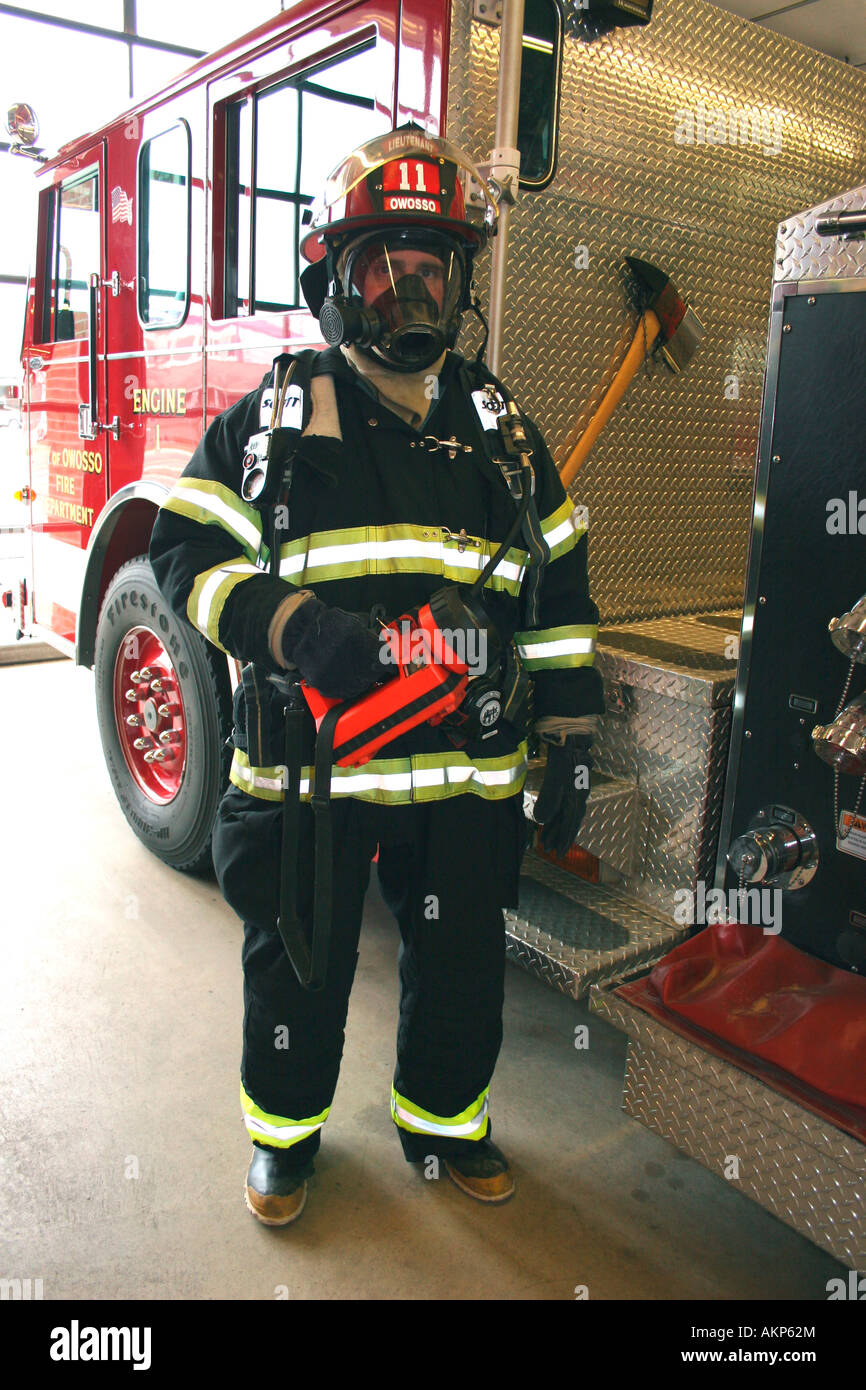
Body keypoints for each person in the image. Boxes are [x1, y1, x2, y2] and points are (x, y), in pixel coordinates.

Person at [148, 126, 604, 1226]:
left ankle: (445, 1124)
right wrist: (294, 626)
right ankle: (286, 1143)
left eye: (431, 269)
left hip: (465, 775)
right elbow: (182, 549)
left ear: (458, 285)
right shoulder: (273, 417)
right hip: (315, 772)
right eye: (383, 267)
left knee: (459, 967)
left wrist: (572, 739)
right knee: (295, 968)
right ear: (334, 279)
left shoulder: (501, 431)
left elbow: (561, 585)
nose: (411, 291)